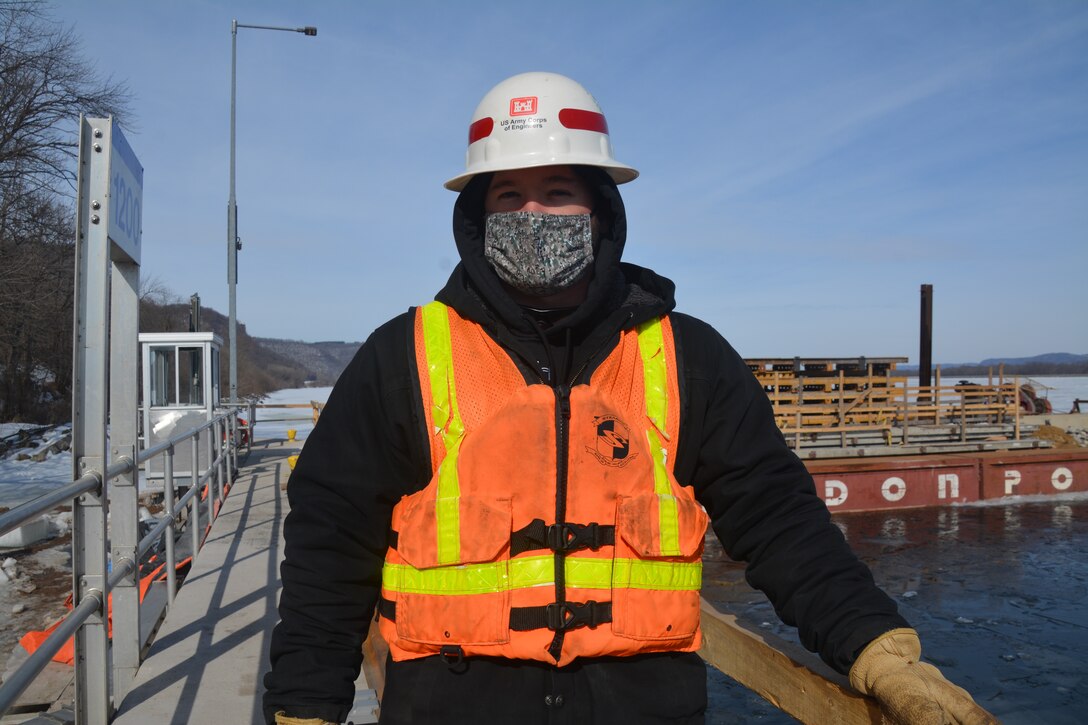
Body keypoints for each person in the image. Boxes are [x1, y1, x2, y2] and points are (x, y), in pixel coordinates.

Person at [264, 72, 995, 725]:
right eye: (510, 195)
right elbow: (332, 543)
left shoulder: (688, 358)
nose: (533, 215)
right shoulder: (405, 356)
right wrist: (304, 705)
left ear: (599, 207)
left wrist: (880, 650)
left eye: (557, 192)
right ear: (478, 217)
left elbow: (779, 522)